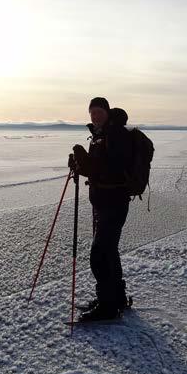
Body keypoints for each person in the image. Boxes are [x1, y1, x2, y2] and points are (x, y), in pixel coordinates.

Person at [69, 97, 132, 321]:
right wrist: (80, 165)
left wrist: (84, 162)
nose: (95, 116)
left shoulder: (116, 135)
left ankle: (107, 306)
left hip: (113, 202)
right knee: (109, 252)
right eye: (92, 113)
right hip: (102, 201)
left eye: (99, 112)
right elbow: (96, 169)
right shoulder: (99, 135)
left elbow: (110, 169)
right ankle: (115, 298)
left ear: (107, 112)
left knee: (99, 254)